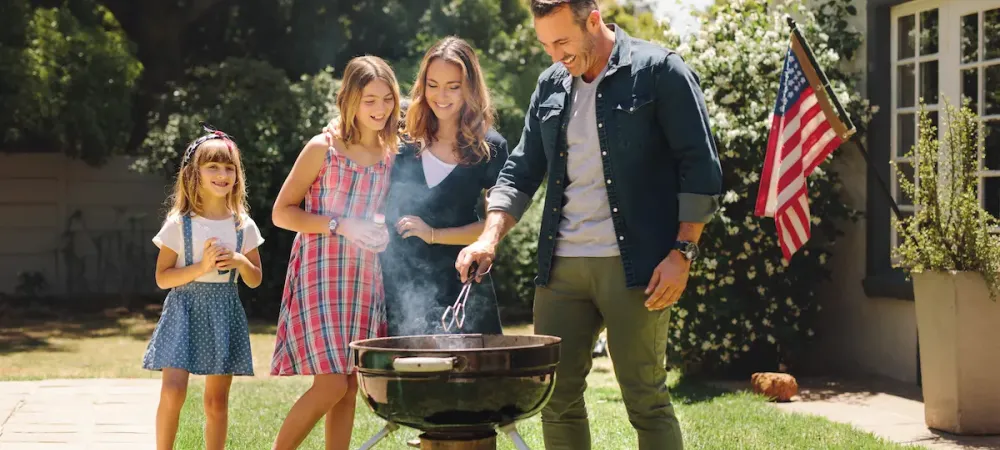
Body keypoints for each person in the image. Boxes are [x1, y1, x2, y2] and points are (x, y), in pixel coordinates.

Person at [455, 1, 723, 449]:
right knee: (555, 399)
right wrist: (489, 236)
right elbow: (522, 168)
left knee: (646, 400)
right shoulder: (551, 84)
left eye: (562, 42)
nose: (555, 55)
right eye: (545, 44)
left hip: (638, 268)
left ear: (593, 21)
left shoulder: (660, 71)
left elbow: (700, 166)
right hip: (560, 270)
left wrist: (684, 252)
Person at [269, 55, 400, 450]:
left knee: (347, 385)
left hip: (362, 277)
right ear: (349, 100)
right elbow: (281, 213)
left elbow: (377, 215)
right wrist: (339, 224)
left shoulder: (389, 153)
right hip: (320, 271)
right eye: (369, 100)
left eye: (386, 99)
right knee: (329, 384)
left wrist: (381, 235)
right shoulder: (322, 148)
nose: (379, 109)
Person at [142, 124, 265, 450]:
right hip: (184, 308)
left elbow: (255, 278)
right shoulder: (179, 224)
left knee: (216, 402)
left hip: (223, 310)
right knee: (173, 391)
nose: (222, 174)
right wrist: (201, 267)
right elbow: (162, 278)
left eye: (229, 168)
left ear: (237, 175)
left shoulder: (243, 226)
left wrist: (239, 260)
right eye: (213, 166)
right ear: (194, 173)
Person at [381, 36, 509, 338]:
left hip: (463, 283)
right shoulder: (400, 135)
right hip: (398, 281)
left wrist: (435, 234)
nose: (441, 96)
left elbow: (497, 227)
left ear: (470, 88)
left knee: (475, 381)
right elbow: (354, 130)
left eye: (453, 86)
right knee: (405, 380)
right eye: (433, 84)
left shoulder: (490, 147)